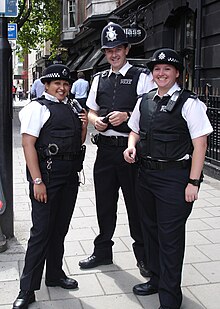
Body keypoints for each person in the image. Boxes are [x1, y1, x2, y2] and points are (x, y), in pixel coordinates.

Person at [123, 48, 213, 309]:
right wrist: (130, 146)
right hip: (146, 176)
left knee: (170, 238)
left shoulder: (190, 103)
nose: (161, 73)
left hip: (175, 179)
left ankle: (170, 299)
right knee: (149, 232)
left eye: (167, 69)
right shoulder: (145, 100)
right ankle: (156, 278)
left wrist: (193, 182)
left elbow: (200, 145)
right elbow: (135, 131)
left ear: (177, 74)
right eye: (157, 69)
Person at [78, 22, 155, 277]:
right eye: (109, 50)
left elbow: (150, 111)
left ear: (126, 48)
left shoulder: (141, 76)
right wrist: (94, 121)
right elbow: (89, 110)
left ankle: (143, 256)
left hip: (131, 152)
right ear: (104, 52)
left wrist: (128, 114)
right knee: (104, 204)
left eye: (118, 49)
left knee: (136, 205)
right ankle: (103, 251)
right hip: (105, 152)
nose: (114, 54)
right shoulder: (98, 78)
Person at [12, 64, 88, 309]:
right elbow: (28, 146)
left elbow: (78, 141)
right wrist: (37, 181)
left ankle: (54, 274)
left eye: (66, 84)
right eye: (57, 84)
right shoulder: (37, 108)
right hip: (47, 177)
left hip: (69, 177)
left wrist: (84, 124)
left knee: (59, 230)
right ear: (46, 85)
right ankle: (27, 289)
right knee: (41, 232)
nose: (62, 88)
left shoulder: (71, 107)